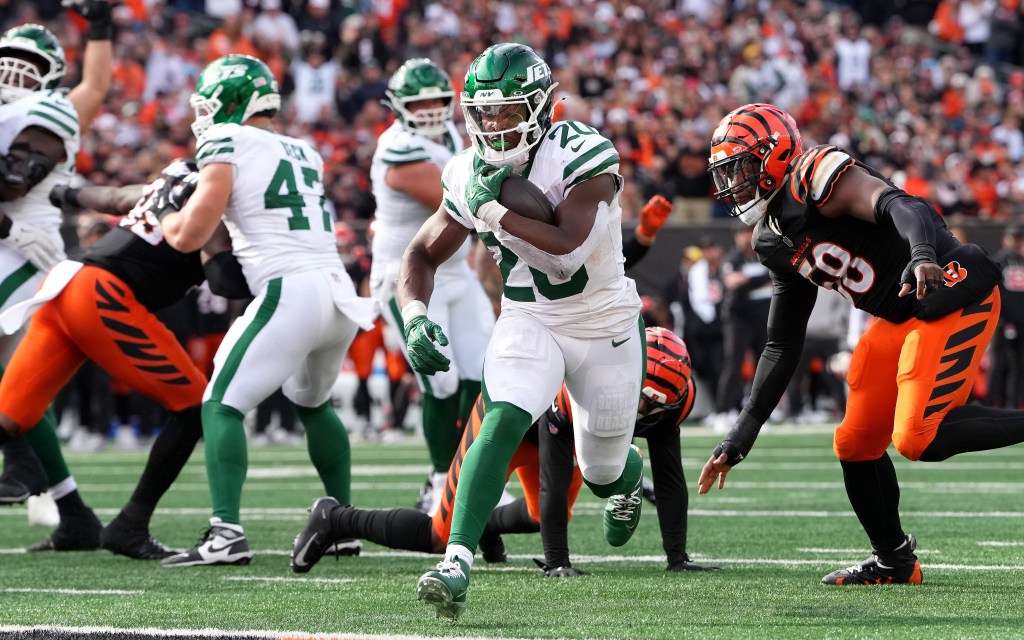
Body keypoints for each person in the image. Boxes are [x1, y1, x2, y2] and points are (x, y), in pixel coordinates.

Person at [697, 103, 1024, 586]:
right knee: (854, 442)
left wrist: (922, 255)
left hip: (948, 290)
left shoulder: (815, 174)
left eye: (741, 167)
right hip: (900, 317)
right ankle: (894, 561)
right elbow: (781, 345)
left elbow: (900, 204)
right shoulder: (771, 239)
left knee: (917, 437)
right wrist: (740, 436)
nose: (734, 183)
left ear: (774, 155)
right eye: (727, 171)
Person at [398, 43, 645, 620]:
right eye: (484, 113)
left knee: (602, 472)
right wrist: (414, 316)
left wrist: (491, 212)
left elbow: (566, 254)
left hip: (603, 321)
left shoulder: (584, 154)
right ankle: (457, 560)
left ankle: (628, 474)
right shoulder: (465, 171)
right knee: (503, 413)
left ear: (539, 108)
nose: (494, 124)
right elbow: (420, 255)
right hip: (528, 315)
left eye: (508, 111)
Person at [159, 54, 376, 567]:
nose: (204, 117)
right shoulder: (304, 150)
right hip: (336, 289)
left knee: (219, 404)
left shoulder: (225, 140)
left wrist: (170, 209)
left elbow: (190, 233)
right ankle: (342, 526)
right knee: (315, 405)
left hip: (290, 290)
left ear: (233, 103)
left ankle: (225, 533)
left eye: (211, 105)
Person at [290, 328, 718, 576]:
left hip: (560, 433)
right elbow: (554, 476)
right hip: (514, 421)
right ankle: (335, 516)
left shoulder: (672, 399)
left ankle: (487, 526)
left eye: (651, 407)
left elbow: (670, 476)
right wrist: (558, 564)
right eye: (637, 400)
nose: (638, 412)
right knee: (440, 536)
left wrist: (677, 558)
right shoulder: (587, 389)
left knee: (537, 517)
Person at [0, 159, 246, 559]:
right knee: (193, 407)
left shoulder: (178, 175)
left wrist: (68, 194)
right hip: (102, 295)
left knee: (7, 421)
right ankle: (130, 525)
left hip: (65, 282)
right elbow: (224, 281)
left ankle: (85, 520)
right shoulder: (219, 194)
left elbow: (115, 197)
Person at [0, 5, 114, 510]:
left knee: (17, 383)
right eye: (7, 61)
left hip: (21, 249)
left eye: (26, 64)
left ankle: (25, 468)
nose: (12, 73)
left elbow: (10, 184)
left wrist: (102, 28)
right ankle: (71, 512)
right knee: (17, 383)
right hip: (14, 241)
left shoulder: (47, 110)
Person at [368, 58, 494, 515]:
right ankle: (440, 479)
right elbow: (453, 197)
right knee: (439, 383)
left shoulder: (450, 137)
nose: (429, 109)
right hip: (409, 278)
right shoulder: (396, 146)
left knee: (483, 377)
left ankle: (467, 468)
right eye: (418, 101)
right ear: (398, 106)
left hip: (456, 274)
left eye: (437, 99)